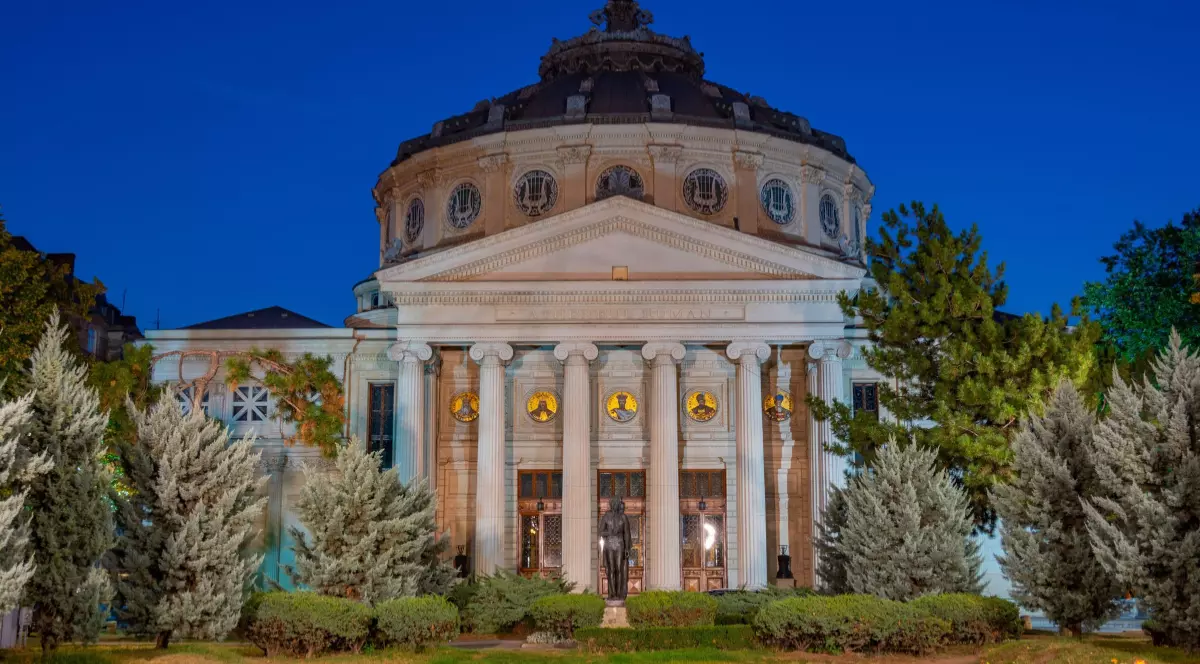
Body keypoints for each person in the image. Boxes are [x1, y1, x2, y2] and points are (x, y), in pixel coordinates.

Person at [599, 497, 632, 600]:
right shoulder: (606, 517)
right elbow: (600, 532)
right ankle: (612, 593)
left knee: (619, 569)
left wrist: (627, 548)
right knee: (611, 570)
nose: (615, 505)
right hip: (609, 544)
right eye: (614, 503)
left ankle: (619, 594)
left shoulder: (623, 517)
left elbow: (626, 533)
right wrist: (609, 533)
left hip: (619, 544)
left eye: (617, 503)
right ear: (611, 504)